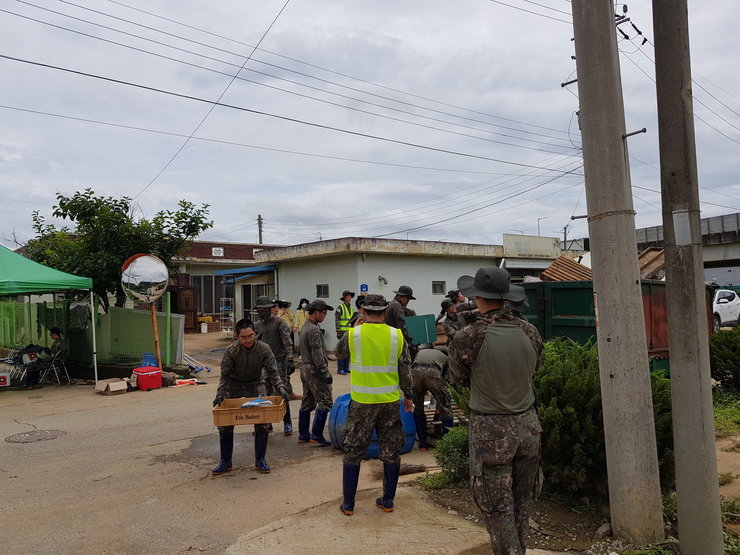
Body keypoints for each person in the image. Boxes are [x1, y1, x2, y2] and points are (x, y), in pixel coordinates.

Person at [448, 267, 544, 554]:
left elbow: (459, 378)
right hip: (529, 427)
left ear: (477, 297)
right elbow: (535, 368)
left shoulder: (468, 336)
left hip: (490, 432)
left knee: (497, 510)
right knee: (520, 505)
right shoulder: (530, 331)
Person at [335, 294, 414, 516]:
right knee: (391, 452)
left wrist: (354, 328)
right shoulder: (397, 336)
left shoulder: (354, 334)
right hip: (389, 402)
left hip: (362, 403)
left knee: (353, 451)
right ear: (386, 312)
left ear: (363, 312)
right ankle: (387, 501)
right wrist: (408, 396)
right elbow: (405, 370)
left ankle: (349, 504)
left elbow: (338, 353)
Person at [212, 319, 290, 476]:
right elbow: (225, 376)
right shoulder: (231, 351)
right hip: (233, 384)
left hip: (255, 383)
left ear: (255, 334)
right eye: (243, 337)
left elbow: (273, 372)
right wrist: (220, 394)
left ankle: (260, 460)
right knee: (225, 423)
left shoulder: (264, 349)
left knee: (262, 422)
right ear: (237, 337)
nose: (248, 340)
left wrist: (281, 388)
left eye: (251, 335)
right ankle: (225, 462)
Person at [254, 296, 299, 436]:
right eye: (260, 310)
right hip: (262, 365)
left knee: (281, 393)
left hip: (279, 362)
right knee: (265, 394)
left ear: (270, 309)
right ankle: (268, 424)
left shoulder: (280, 322)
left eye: (265, 309)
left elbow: (287, 342)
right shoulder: (256, 325)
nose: (263, 312)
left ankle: (287, 423)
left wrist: (290, 359)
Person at [297, 299, 334, 445]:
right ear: (317, 312)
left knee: (308, 401)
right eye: (324, 313)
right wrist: (325, 372)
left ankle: (303, 434)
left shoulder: (305, 326)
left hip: (305, 368)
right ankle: (317, 435)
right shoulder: (314, 330)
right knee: (325, 401)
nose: (325, 316)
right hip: (314, 369)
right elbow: (317, 353)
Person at [411, 345, 453, 451]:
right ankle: (448, 444)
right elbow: (447, 380)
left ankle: (422, 445)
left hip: (415, 374)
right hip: (433, 373)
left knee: (418, 407)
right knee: (446, 407)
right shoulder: (446, 358)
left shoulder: (422, 353)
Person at [385, 285, 415, 354]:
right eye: (407, 298)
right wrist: (410, 342)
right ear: (399, 296)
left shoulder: (391, 305)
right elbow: (401, 327)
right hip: (396, 340)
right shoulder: (397, 306)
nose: (408, 301)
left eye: (409, 298)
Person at [334, 290, 356, 375]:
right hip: (342, 332)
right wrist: (338, 330)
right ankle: (340, 369)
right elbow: (337, 319)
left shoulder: (351, 307)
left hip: (349, 331)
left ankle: (346, 367)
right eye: (348, 296)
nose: (349, 297)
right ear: (344, 298)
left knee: (348, 350)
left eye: (350, 296)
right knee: (341, 350)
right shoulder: (340, 307)